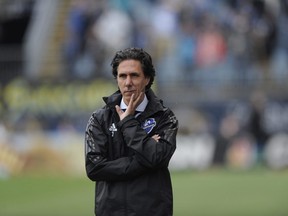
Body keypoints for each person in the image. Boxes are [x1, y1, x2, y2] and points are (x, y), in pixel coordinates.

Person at [84, 47, 178, 216]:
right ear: (116, 79)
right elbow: (94, 168)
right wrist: (143, 161)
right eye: (122, 76)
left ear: (147, 79)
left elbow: (157, 157)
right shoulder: (100, 119)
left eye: (134, 75)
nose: (128, 83)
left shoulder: (165, 118)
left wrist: (128, 123)